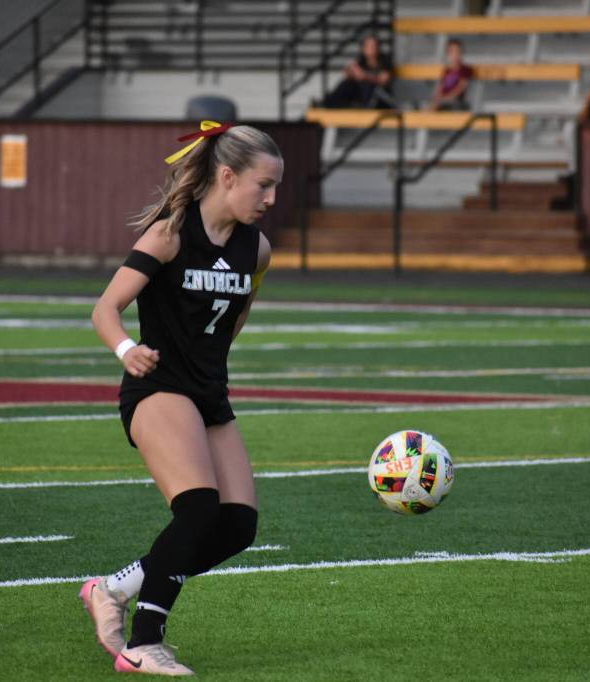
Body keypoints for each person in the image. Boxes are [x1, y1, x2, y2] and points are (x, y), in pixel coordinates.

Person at [81, 120, 281, 676]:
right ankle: (143, 644)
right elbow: (104, 309)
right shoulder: (169, 234)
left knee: (237, 526)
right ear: (227, 176)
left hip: (208, 392)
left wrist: (208, 364)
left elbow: (235, 318)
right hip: (158, 388)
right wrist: (127, 350)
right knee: (196, 509)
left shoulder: (257, 249)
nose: (271, 199)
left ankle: (112, 589)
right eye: (263, 185)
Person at [323, 34, 394, 108]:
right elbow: (351, 76)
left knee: (368, 85)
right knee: (347, 84)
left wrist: (364, 76)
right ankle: (329, 103)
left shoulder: (384, 61)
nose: (372, 48)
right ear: (363, 48)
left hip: (379, 97)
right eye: (369, 46)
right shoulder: (361, 62)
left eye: (374, 45)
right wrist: (351, 72)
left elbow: (384, 80)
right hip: (361, 96)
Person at [428, 38, 474, 111]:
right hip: (444, 101)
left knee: (436, 107)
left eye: (458, 51)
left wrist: (445, 99)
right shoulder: (447, 70)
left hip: (457, 102)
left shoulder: (465, 69)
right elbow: (440, 87)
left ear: (462, 52)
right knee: (432, 106)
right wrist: (437, 97)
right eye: (452, 52)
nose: (455, 54)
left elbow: (460, 89)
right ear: (448, 53)